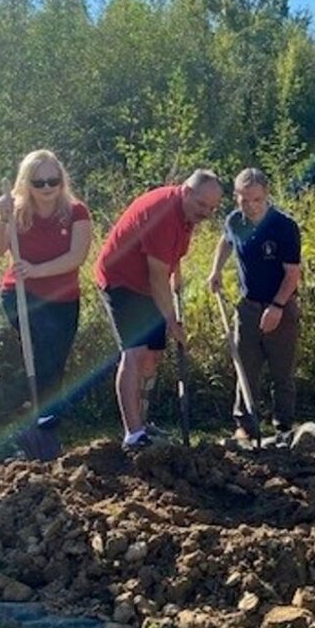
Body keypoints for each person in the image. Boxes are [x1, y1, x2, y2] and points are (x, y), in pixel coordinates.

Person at [95, 170, 223, 448]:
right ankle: (134, 433)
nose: (207, 212)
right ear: (186, 191)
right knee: (135, 353)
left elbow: (169, 256)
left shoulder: (186, 212)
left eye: (213, 208)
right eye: (203, 205)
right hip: (122, 281)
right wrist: (172, 320)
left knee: (153, 357)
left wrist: (177, 274)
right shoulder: (163, 214)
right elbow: (156, 275)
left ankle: (143, 420)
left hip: (149, 284)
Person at [0, 150, 93, 440]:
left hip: (64, 297)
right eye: (38, 182)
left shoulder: (76, 212)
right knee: (40, 349)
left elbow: (76, 257)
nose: (46, 188)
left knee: (55, 360)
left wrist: (35, 269)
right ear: (26, 182)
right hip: (21, 294)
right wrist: (1, 218)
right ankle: (38, 417)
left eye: (52, 181)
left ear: (61, 181)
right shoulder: (16, 212)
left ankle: (46, 418)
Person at [207, 168, 301, 445]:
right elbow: (225, 241)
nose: (250, 206)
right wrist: (216, 271)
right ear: (236, 197)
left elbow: (292, 273)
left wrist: (277, 306)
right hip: (248, 307)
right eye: (244, 200)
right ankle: (245, 426)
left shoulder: (284, 226)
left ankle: (283, 427)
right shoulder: (235, 221)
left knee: (282, 371)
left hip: (281, 306)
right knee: (245, 368)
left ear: (266, 195)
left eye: (256, 200)